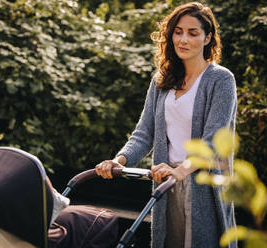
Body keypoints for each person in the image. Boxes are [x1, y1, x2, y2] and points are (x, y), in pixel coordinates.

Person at [95, 2, 237, 248]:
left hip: (200, 184)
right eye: (178, 31)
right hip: (165, 180)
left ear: (208, 38)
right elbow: (143, 134)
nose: (183, 39)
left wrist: (180, 171)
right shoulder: (161, 81)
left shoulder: (221, 80)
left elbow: (213, 142)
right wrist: (117, 162)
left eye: (193, 33)